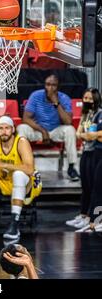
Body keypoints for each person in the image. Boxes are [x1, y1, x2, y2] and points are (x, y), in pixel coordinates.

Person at [17, 74, 79, 181]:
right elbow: (26, 118)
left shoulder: (64, 98)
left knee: (70, 130)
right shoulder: (36, 96)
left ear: (58, 87)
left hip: (56, 129)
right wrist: (42, 130)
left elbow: (68, 122)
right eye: (47, 84)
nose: (49, 88)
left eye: (53, 85)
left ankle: (72, 167)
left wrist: (56, 103)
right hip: (38, 130)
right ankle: (23, 165)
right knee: (21, 128)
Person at [66, 88, 102, 231]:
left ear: (96, 99)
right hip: (87, 151)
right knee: (86, 186)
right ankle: (85, 216)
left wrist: (91, 135)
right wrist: (89, 135)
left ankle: (94, 220)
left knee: (96, 188)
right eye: (85, 98)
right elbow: (79, 133)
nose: (86, 101)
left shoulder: (99, 114)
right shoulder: (86, 114)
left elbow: (92, 135)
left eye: (89, 99)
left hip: (96, 151)